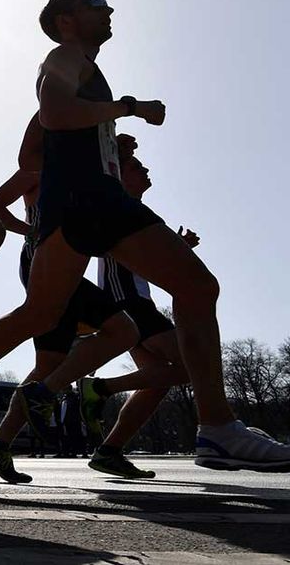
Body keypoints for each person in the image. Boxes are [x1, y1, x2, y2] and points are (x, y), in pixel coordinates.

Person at [0, 0, 290, 472]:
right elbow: (52, 115)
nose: (109, 8)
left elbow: (60, 126)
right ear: (66, 20)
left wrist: (112, 133)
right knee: (198, 287)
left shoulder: (83, 66)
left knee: (38, 314)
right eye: (94, 4)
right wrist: (129, 108)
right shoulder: (65, 55)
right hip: (93, 200)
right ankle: (217, 426)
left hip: (77, 205)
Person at [0, 120, 140, 484]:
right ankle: (41, 394)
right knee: (123, 330)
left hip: (63, 263)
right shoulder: (38, 169)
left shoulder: (77, 169)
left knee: (49, 363)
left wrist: (119, 153)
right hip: (42, 261)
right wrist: (29, 230)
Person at [78, 152, 194, 479]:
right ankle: (100, 388)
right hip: (128, 303)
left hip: (136, 303)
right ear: (119, 176)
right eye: (136, 166)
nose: (145, 169)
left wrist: (180, 247)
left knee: (157, 380)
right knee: (189, 365)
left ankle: (109, 451)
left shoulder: (136, 212)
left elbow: (150, 260)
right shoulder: (115, 205)